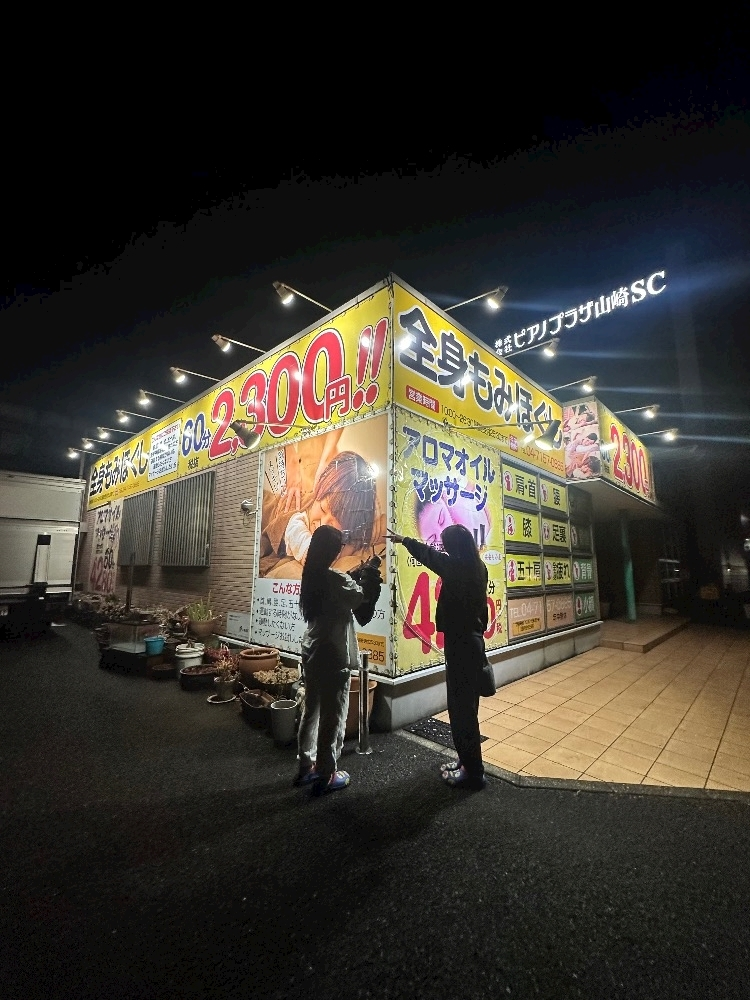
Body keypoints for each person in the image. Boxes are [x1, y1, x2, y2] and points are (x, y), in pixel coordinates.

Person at [388, 524, 489, 790]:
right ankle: (466, 762)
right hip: (473, 642)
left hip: (461, 645)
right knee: (468, 708)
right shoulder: (478, 567)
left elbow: (428, 556)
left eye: (445, 544)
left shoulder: (456, 567)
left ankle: (473, 772)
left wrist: (403, 540)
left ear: (454, 546)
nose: (442, 548)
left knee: (461, 711)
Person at [294, 524, 365, 794]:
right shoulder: (335, 579)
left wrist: (350, 577)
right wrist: (363, 576)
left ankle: (306, 766)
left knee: (311, 710)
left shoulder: (310, 575)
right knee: (333, 715)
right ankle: (327, 773)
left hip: (312, 650)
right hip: (333, 653)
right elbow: (358, 598)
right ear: (333, 550)